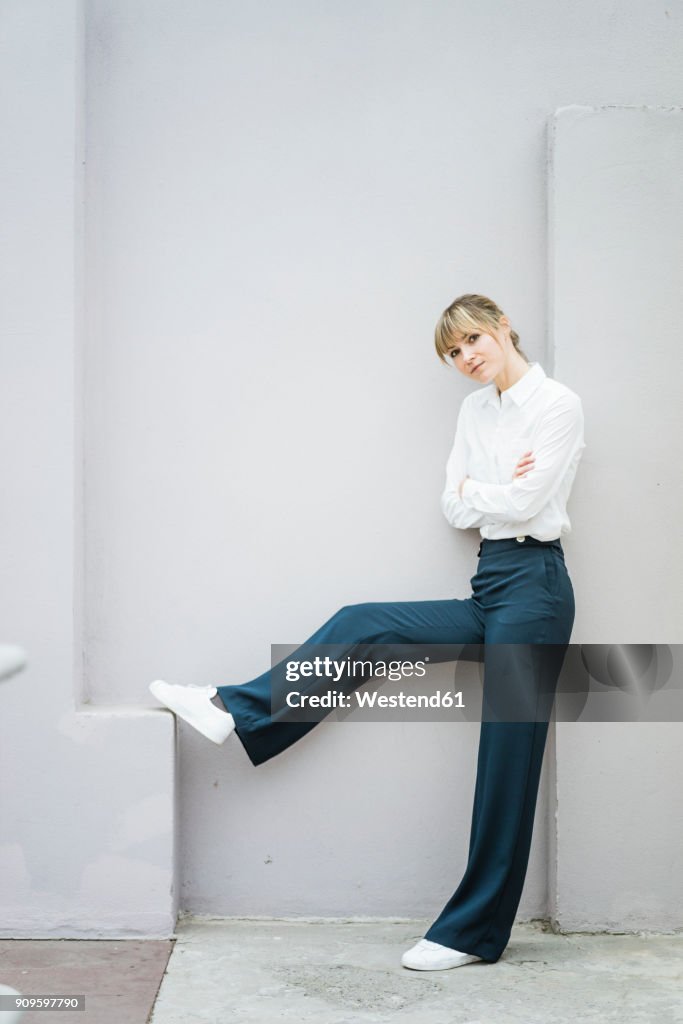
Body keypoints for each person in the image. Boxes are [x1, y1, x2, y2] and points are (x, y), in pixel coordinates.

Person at [149, 293, 585, 972]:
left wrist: (483, 488)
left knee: (505, 760)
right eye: (453, 352)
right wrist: (488, 487)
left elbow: (524, 503)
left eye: (472, 339)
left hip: (535, 591)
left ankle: (469, 935)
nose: (466, 357)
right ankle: (237, 710)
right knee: (365, 624)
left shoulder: (557, 403)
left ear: (501, 327)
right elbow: (450, 505)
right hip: (490, 581)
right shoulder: (474, 410)